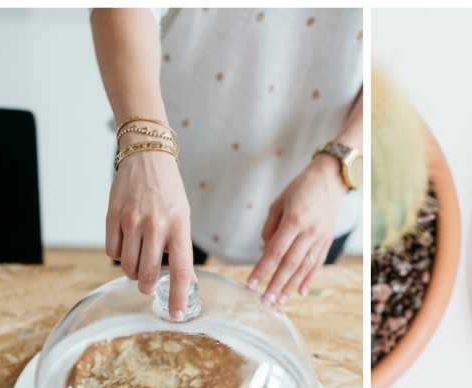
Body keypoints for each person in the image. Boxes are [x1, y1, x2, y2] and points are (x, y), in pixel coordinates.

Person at [90, 8, 363, 320]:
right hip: (160, 172)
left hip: (320, 199)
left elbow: (407, 45)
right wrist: (145, 146)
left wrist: (340, 166)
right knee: (138, 315)